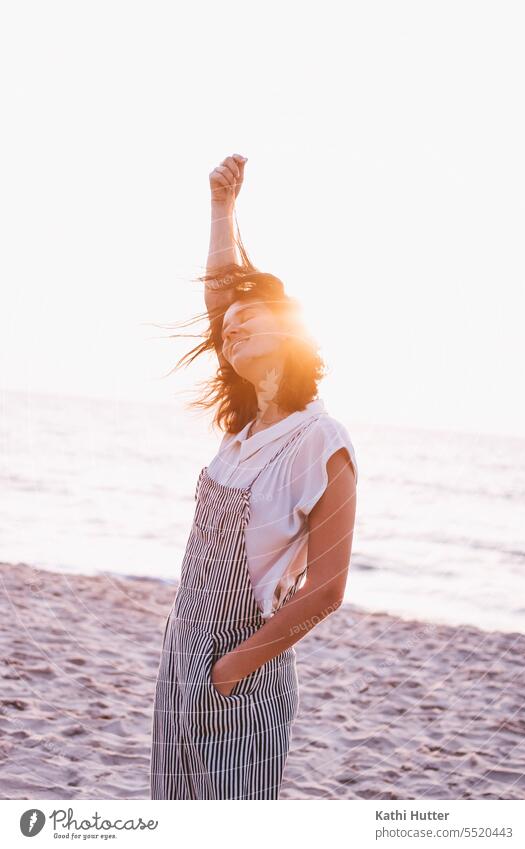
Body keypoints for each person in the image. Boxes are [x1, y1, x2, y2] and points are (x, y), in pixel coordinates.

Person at [150, 153, 358, 800]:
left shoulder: (321, 441)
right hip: (181, 651)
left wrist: (233, 667)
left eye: (250, 317)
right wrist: (220, 209)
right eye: (227, 325)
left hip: (242, 670)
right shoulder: (241, 432)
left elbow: (326, 591)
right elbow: (222, 299)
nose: (231, 325)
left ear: (291, 330)